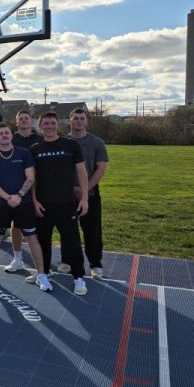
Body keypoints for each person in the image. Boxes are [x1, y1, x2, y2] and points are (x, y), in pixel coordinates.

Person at [0, 123, 52, 291]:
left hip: (23, 203)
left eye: (7, 132)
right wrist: (8, 197)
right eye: (0, 133)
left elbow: (30, 178)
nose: (4, 135)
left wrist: (19, 196)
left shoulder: (24, 153)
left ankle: (41, 275)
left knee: (31, 237)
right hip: (0, 204)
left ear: (11, 136)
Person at [30, 112, 90, 296]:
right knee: (43, 242)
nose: (49, 126)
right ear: (40, 126)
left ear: (58, 125)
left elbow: (82, 173)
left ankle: (78, 278)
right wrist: (34, 201)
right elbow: (32, 179)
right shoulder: (35, 148)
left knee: (72, 242)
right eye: (45, 123)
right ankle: (44, 273)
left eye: (52, 123)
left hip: (66, 204)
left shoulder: (70, 145)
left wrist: (85, 198)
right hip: (43, 205)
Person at [67, 108, 109, 279]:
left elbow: (101, 169)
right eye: (75, 118)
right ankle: (68, 260)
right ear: (70, 120)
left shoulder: (97, 142)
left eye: (81, 118)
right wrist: (71, 188)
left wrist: (85, 189)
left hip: (90, 193)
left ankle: (95, 263)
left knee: (92, 230)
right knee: (68, 230)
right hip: (67, 193)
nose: (78, 121)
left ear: (86, 121)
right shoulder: (62, 141)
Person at [6, 109, 44, 273]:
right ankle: (18, 258)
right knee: (16, 225)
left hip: (39, 187)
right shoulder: (11, 139)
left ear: (31, 121)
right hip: (17, 189)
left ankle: (43, 264)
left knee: (40, 226)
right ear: (17, 122)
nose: (23, 121)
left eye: (26, 118)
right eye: (20, 118)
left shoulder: (40, 139)